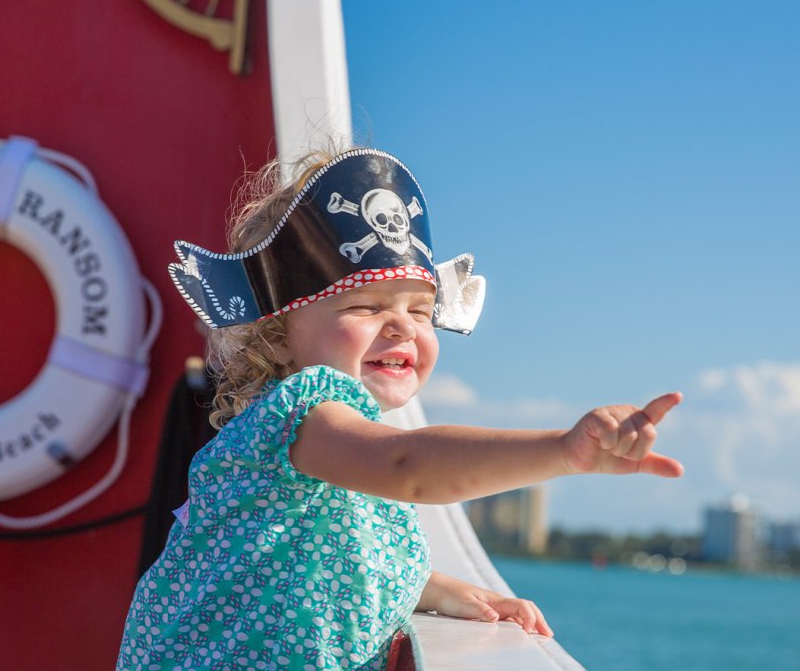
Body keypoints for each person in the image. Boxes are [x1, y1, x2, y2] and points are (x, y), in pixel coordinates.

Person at [118, 148, 683, 670]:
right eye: (364, 305)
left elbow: (326, 553)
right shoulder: (299, 415)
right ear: (278, 336)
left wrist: (434, 589)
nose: (401, 327)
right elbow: (408, 468)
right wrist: (564, 452)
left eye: (420, 310)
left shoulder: (337, 443)